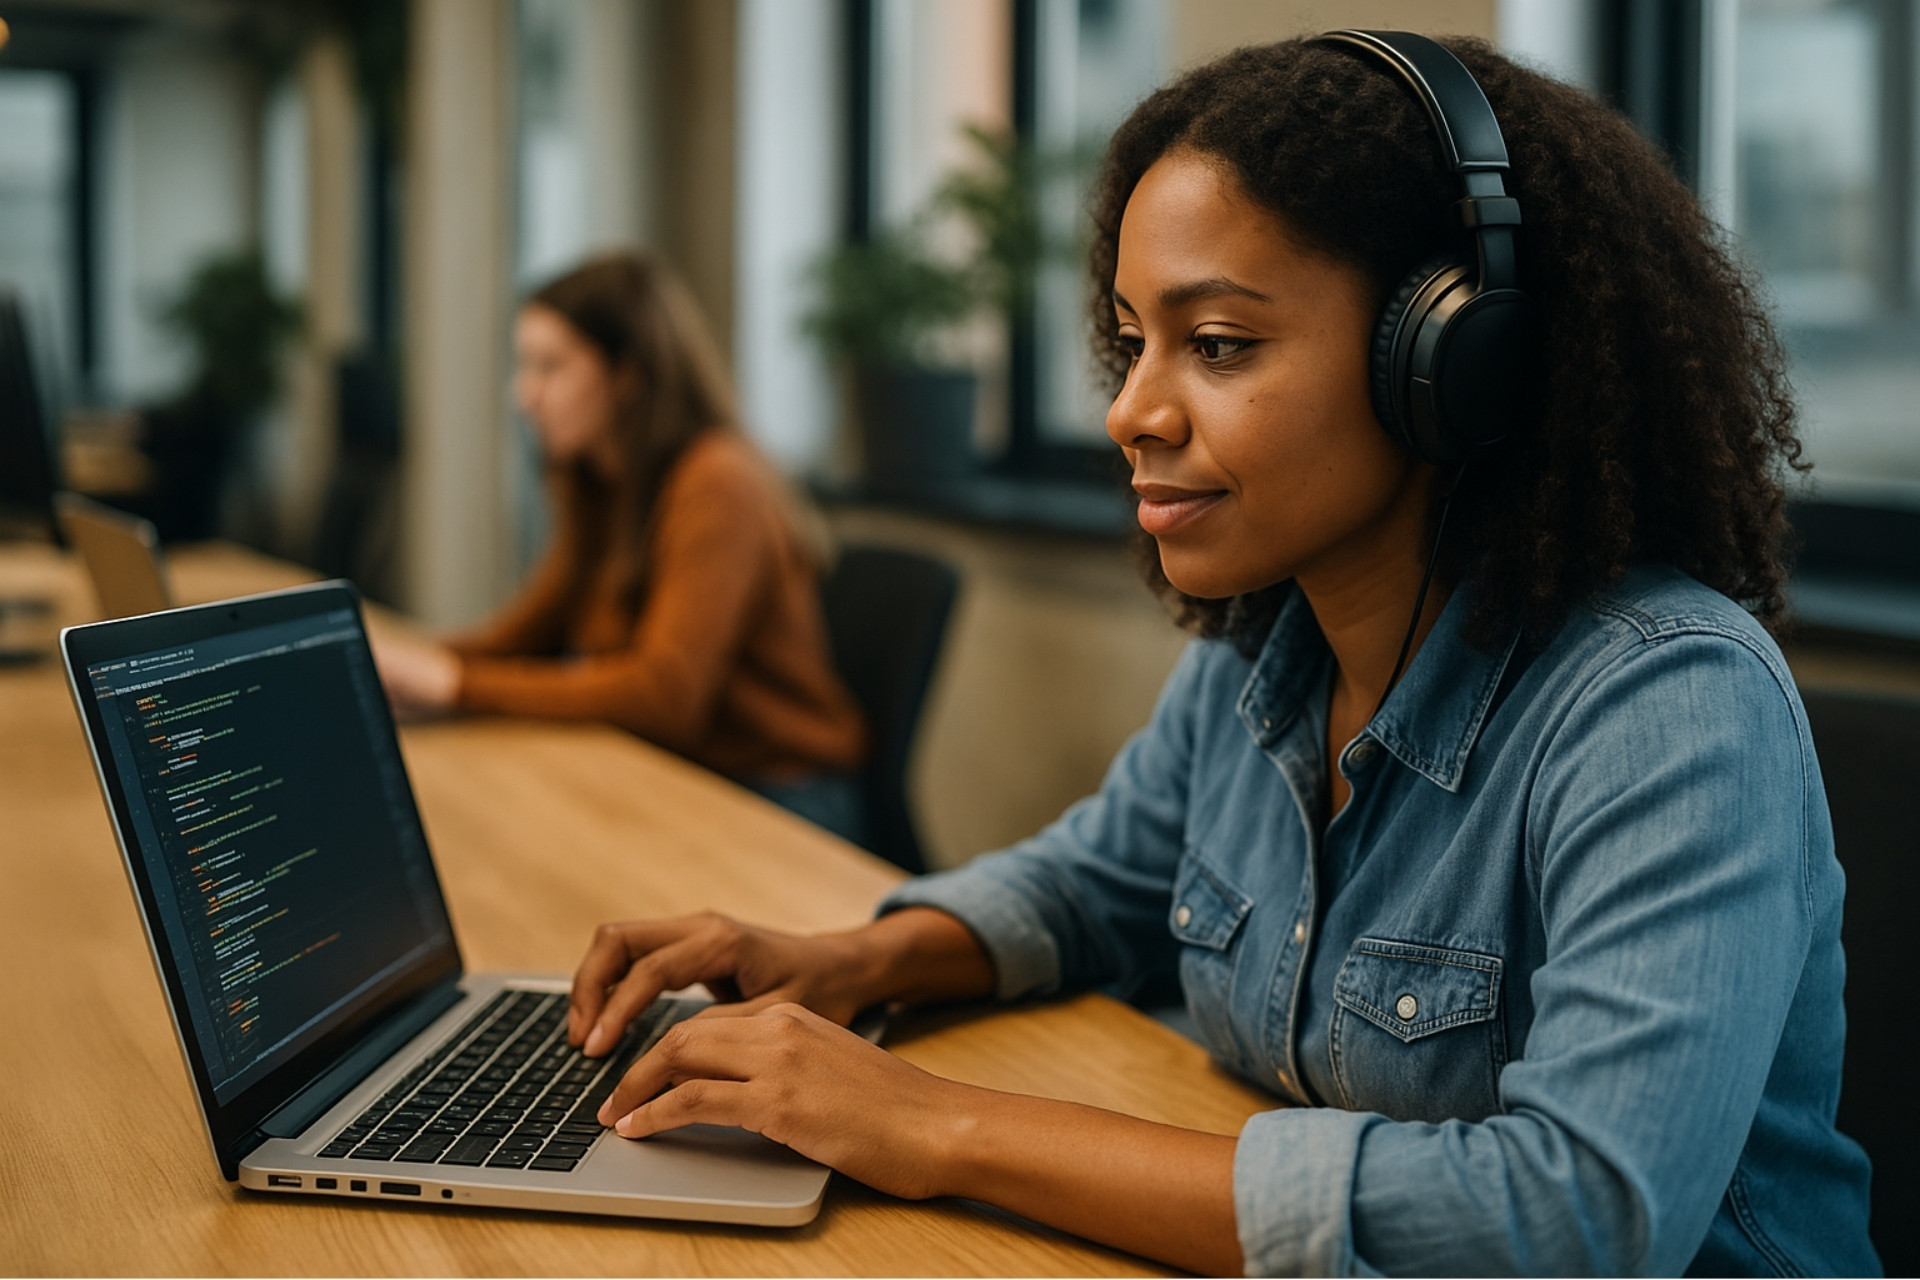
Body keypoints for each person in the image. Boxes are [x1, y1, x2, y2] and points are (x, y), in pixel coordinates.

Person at [553, 36, 1879, 1276]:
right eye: (1132, 343)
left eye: (1220, 346)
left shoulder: (1666, 708)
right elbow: (1095, 886)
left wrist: (933, 1125)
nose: (1131, 409)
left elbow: (1574, 1218)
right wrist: (850, 962)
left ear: (1451, 361)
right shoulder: (1265, 651)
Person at [372, 253, 867, 840]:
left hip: (779, 795)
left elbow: (665, 697)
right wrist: (411, 668)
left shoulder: (718, 481)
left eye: (550, 367)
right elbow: (529, 635)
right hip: (673, 772)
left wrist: (452, 684)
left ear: (626, 375)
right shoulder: (599, 479)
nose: (523, 394)